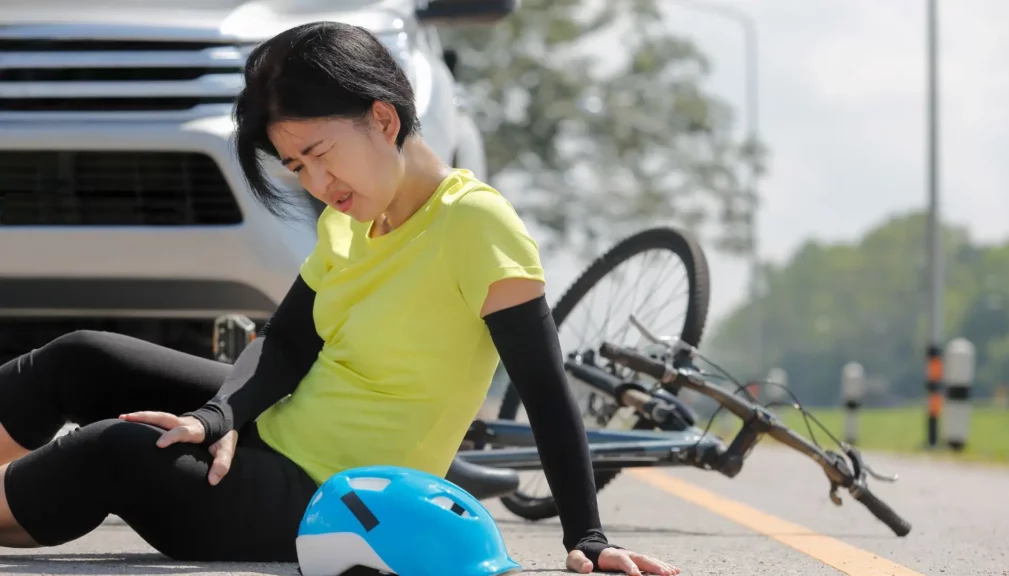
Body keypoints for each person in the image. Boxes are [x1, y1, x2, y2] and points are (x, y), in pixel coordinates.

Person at [0, 21, 679, 576]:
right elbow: (288, 343)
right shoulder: (348, 222)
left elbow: (546, 386)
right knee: (82, 358)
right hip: (276, 431)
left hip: (327, 498)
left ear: (382, 118)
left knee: (116, 449)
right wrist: (219, 417)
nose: (317, 181)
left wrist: (586, 536)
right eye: (296, 166)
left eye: (320, 152)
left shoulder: (475, 225)